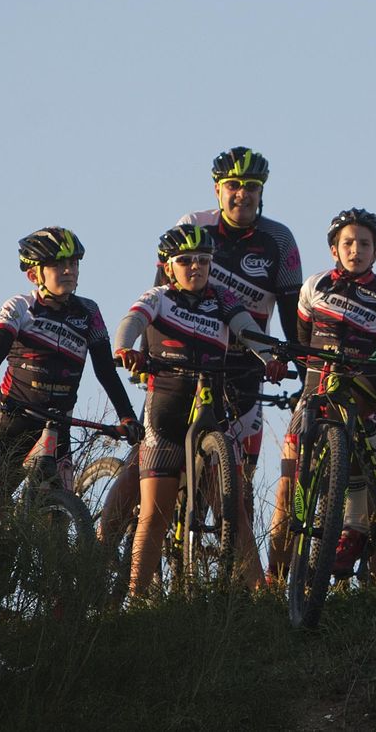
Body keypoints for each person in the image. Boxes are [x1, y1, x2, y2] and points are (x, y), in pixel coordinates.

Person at [112, 224, 287, 598]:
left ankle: (261, 596)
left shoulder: (223, 298)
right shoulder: (158, 297)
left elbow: (247, 332)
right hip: (165, 413)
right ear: (168, 265)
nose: (196, 267)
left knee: (234, 514)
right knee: (153, 516)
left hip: (212, 410)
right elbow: (132, 322)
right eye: (186, 261)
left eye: (203, 261)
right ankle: (137, 599)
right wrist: (126, 348)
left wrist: (270, 359)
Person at [267, 208, 376, 581]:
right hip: (313, 397)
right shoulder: (314, 286)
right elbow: (300, 337)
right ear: (334, 249)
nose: (356, 250)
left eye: (365, 244)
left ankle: (372, 570)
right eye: (348, 243)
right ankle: (274, 580)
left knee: (375, 496)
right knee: (287, 492)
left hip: (362, 399)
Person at [0, 227, 141, 518]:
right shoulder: (20, 306)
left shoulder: (89, 312)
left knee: (58, 517)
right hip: (14, 417)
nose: (69, 270)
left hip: (58, 423)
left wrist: (126, 416)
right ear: (34, 274)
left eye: (73, 264)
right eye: (59, 265)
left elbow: (105, 371)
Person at [174, 146, 304, 479]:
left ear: (262, 190)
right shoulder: (194, 225)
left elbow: (293, 318)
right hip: (189, 360)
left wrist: (306, 378)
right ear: (218, 189)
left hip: (246, 365)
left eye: (252, 186)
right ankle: (103, 533)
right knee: (151, 465)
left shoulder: (279, 239)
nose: (242, 194)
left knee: (240, 483)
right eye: (234, 185)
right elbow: (163, 295)